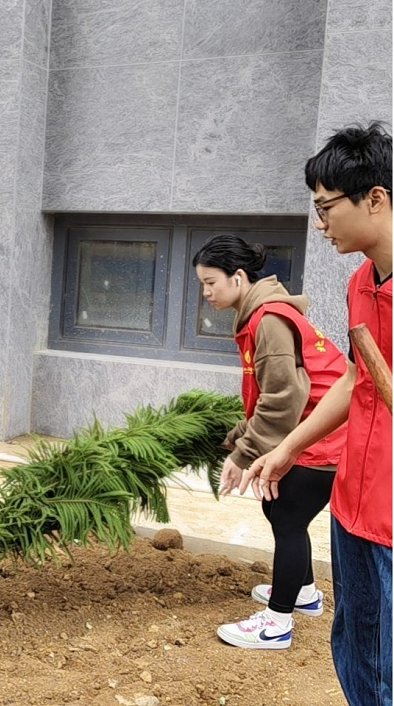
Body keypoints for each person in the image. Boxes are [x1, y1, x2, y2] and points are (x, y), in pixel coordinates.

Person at [243, 123, 391, 702]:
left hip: (391, 515)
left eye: (327, 208)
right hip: (353, 499)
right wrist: (288, 447)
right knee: (356, 642)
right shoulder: (360, 283)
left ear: (374, 198)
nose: (321, 224)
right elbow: (355, 379)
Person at [192, 235, 349, 650]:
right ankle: (304, 594)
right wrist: (240, 439)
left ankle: (277, 624)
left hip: (325, 436)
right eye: (202, 284)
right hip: (315, 430)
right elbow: (270, 396)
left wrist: (244, 455)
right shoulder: (259, 314)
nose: (206, 293)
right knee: (280, 509)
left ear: (238, 277)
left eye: (210, 282)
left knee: (287, 514)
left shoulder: (268, 320)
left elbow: (284, 398)